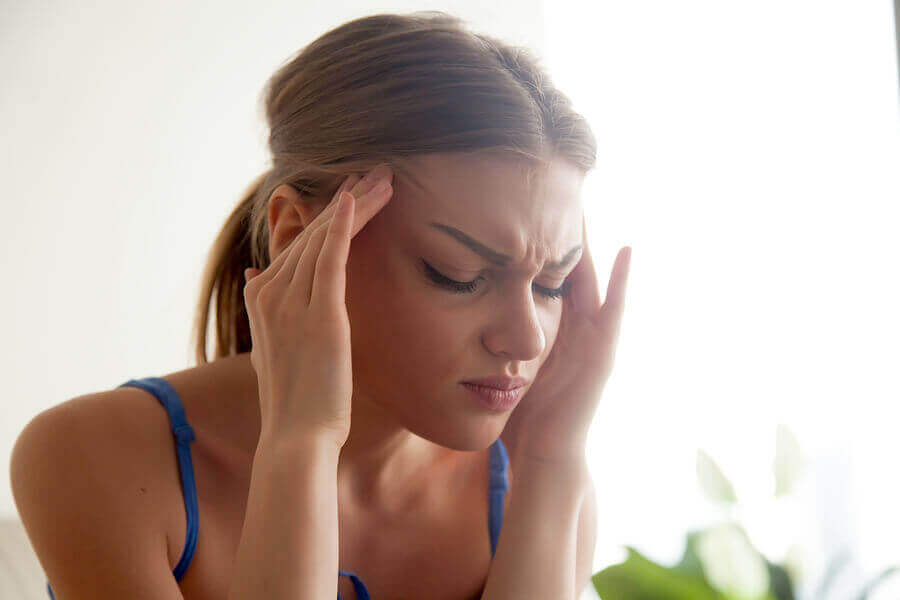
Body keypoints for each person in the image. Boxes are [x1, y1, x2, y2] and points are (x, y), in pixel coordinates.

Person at [12, 9, 626, 600]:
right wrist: (301, 443)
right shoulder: (94, 459)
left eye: (551, 283)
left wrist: (550, 457)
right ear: (294, 237)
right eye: (457, 274)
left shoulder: (539, 479)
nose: (528, 339)